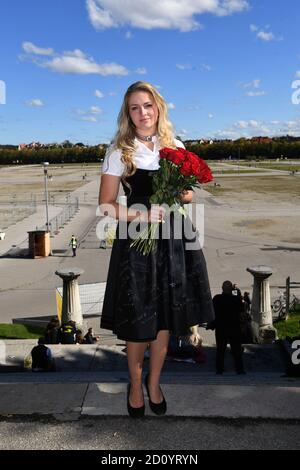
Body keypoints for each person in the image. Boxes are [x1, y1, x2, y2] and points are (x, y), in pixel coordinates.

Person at [98, 81, 214, 418]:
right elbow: (106, 206)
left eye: (147, 105)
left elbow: (188, 193)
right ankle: (135, 384)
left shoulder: (173, 145)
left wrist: (181, 193)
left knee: (164, 319)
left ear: (158, 107)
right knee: (138, 321)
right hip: (137, 240)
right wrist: (142, 213)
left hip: (174, 238)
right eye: (135, 107)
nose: (142, 113)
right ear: (127, 113)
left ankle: (154, 383)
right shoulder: (120, 150)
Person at [209, 280, 245, 375]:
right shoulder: (236, 300)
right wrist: (237, 292)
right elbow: (242, 310)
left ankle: (219, 370)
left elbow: (212, 313)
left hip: (221, 328)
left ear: (222, 288)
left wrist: (212, 324)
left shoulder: (217, 299)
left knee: (220, 350)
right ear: (231, 289)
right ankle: (240, 370)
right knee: (236, 350)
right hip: (234, 328)